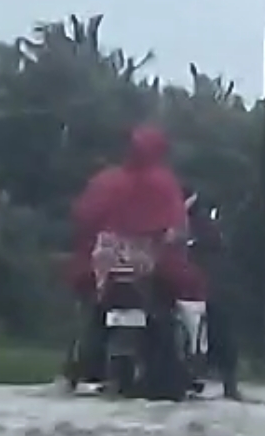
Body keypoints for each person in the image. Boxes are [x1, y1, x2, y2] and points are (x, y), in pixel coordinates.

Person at [68, 125, 201, 386]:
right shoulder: (164, 184)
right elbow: (176, 227)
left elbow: (83, 219)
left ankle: (79, 366)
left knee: (93, 312)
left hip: (106, 272)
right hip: (151, 272)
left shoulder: (105, 181)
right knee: (185, 301)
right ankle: (199, 368)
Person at [186, 195, 242, 400]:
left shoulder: (202, 227)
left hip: (200, 290)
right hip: (187, 287)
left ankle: (228, 383)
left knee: (219, 326)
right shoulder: (197, 225)